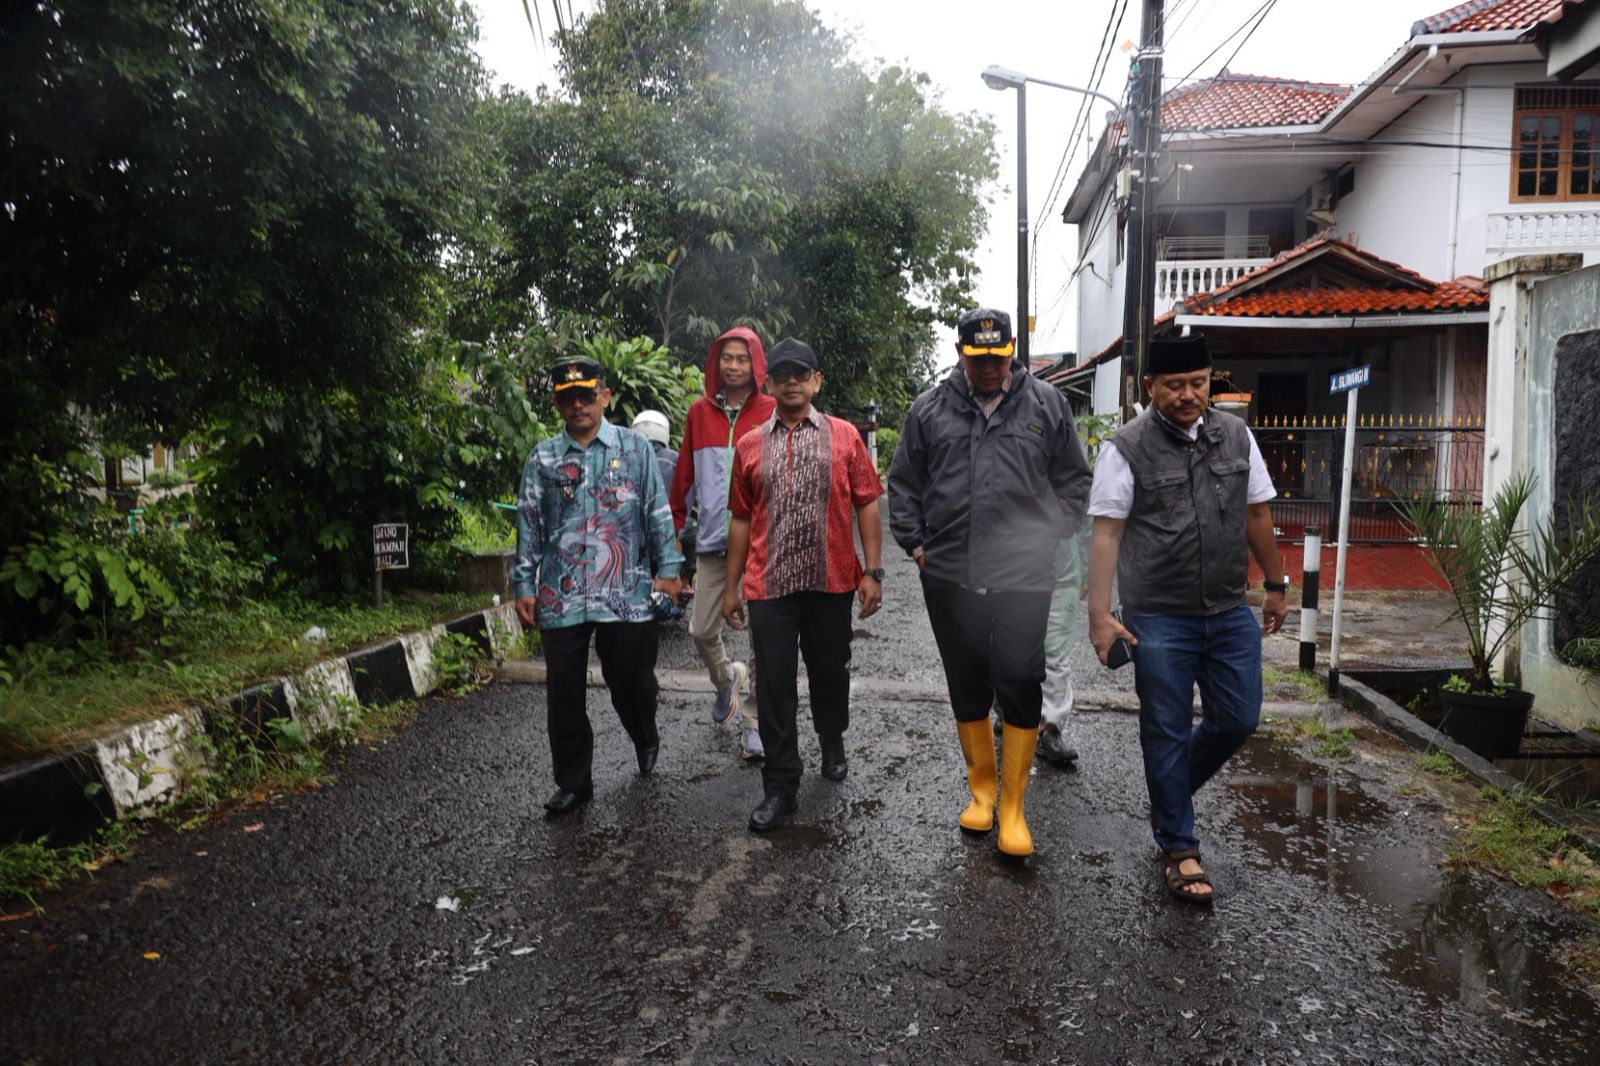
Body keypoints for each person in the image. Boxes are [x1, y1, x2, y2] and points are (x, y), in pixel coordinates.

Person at [1085, 332, 1288, 904]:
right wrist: (1099, 615)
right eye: (1175, 386)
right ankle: (1180, 848)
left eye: (1198, 384)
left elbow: (1256, 513)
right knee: (1166, 729)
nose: (1188, 395)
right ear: (1151, 386)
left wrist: (1275, 585)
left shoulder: (1237, 436)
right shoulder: (1126, 448)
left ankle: (1169, 792)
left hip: (1228, 608)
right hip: (1158, 615)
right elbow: (1106, 534)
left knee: (1238, 718)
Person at [888, 308, 1092, 858]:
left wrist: (1050, 533)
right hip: (950, 575)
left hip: (1024, 576)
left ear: (1012, 350)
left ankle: (1014, 808)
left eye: (997, 359)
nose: (987, 368)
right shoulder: (928, 410)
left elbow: (1075, 479)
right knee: (967, 680)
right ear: (960, 352)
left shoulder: (1046, 405)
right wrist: (918, 547)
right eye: (977, 358)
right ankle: (982, 793)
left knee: (1021, 677)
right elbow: (903, 484)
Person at [721, 338, 884, 833]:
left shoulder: (845, 437)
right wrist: (730, 587)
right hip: (768, 583)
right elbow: (741, 518)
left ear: (816, 381)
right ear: (768, 384)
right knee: (773, 686)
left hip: (831, 580)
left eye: (801, 373)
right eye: (782, 374)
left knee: (830, 673)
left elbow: (867, 502)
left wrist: (873, 571)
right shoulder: (749, 445)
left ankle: (832, 737)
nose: (792, 381)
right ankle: (780, 785)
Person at [513, 357, 684, 816]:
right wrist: (524, 582)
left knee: (630, 678)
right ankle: (574, 782)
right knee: (563, 692)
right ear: (557, 404)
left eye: (586, 396)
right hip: (560, 592)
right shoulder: (543, 459)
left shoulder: (634, 448)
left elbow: (656, 510)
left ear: (604, 397)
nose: (578, 405)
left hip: (625, 591)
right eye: (568, 398)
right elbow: (529, 523)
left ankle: (644, 733)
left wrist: (669, 569)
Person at [671, 328, 776, 761]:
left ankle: (754, 725)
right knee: (700, 629)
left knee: (762, 641)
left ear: (756, 364)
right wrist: (674, 543)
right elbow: (683, 481)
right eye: (726, 358)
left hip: (762, 546)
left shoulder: (771, 410)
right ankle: (726, 678)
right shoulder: (699, 413)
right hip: (713, 542)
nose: (733, 366)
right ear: (716, 363)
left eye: (742, 358)